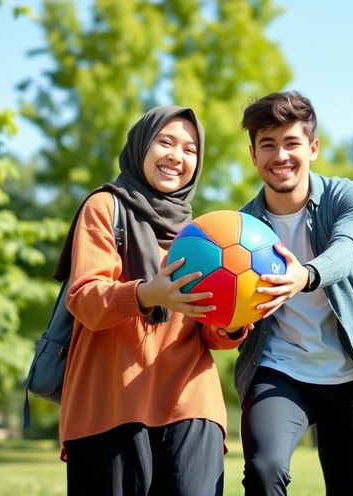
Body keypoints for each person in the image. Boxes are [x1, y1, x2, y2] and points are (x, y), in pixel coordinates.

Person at [54, 105, 248, 496]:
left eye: (191, 149)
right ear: (141, 146)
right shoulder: (105, 207)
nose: (178, 156)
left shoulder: (206, 232)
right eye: (166, 142)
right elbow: (86, 299)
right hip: (110, 401)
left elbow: (212, 332)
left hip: (191, 401)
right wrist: (145, 293)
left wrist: (235, 318)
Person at [234, 91, 353, 496]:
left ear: (312, 148)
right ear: (253, 154)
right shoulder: (240, 229)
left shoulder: (350, 197)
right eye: (267, 145)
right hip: (280, 371)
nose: (280, 156)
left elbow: (349, 250)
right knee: (263, 469)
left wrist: (305, 276)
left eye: (291, 143)